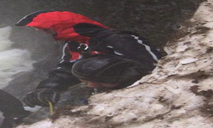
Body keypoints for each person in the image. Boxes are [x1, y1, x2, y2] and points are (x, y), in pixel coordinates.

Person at [16, 10, 163, 107]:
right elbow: (65, 71)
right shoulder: (73, 46)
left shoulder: (118, 39)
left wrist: (112, 78)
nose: (46, 34)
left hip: (141, 93)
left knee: (89, 68)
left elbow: (154, 64)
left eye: (47, 30)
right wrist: (46, 89)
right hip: (107, 98)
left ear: (62, 27)